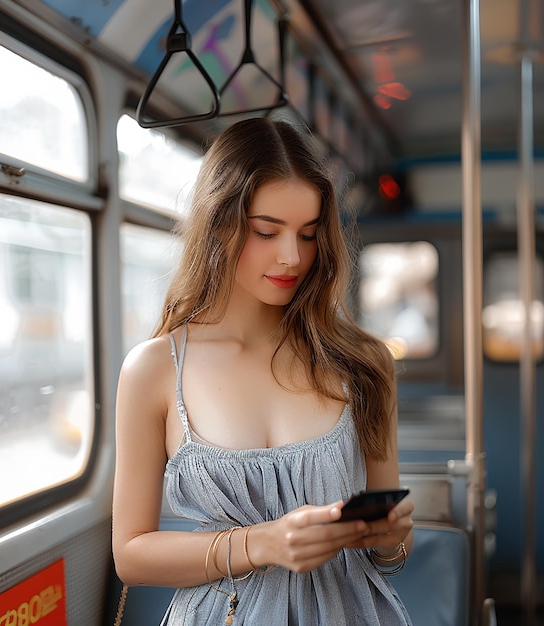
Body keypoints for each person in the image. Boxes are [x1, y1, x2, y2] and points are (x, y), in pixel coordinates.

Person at [112, 117, 414, 625]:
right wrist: (262, 544)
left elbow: (391, 551)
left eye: (309, 234)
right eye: (266, 232)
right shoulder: (154, 370)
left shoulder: (363, 363)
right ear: (218, 225)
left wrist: (393, 539)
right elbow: (131, 555)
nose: (292, 257)